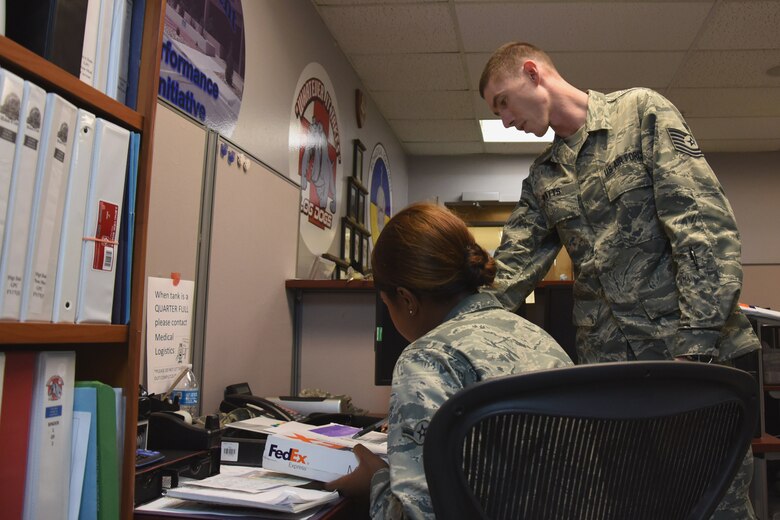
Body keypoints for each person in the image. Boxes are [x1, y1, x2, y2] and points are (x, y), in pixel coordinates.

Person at [479, 42, 760, 519]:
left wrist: (694, 352)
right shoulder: (544, 176)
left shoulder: (640, 113)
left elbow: (702, 229)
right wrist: (457, 323)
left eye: (502, 101)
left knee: (713, 504)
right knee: (630, 505)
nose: (505, 120)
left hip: (685, 356)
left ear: (532, 72)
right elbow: (511, 268)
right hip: (610, 375)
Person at [324, 202, 573, 518]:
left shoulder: (427, 358)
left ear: (406, 299)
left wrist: (374, 482)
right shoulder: (538, 337)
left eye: (387, 303)